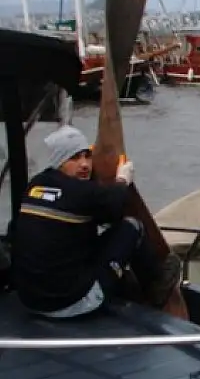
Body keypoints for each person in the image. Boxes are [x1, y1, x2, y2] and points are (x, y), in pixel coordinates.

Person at [11, 126, 182, 318]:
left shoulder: (35, 185)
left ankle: (125, 284)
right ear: (59, 163)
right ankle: (156, 287)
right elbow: (115, 202)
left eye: (87, 156)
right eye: (74, 158)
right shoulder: (80, 192)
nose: (84, 164)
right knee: (132, 227)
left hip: (29, 300)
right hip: (72, 304)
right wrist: (122, 179)